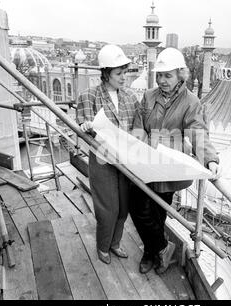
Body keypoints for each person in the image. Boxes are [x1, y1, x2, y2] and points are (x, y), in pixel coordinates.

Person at [130, 48, 221, 274]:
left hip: (168, 167)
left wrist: (209, 159)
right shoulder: (149, 96)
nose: (161, 80)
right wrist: (137, 149)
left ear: (181, 75)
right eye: (159, 75)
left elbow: (197, 131)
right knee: (138, 207)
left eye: (167, 75)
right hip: (145, 162)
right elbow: (139, 124)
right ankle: (162, 247)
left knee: (159, 212)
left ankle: (150, 254)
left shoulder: (191, 102)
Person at [76, 44, 140, 264]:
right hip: (103, 159)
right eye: (118, 73)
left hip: (125, 159)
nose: (124, 78)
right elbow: (82, 125)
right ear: (105, 74)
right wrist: (85, 126)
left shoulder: (131, 98)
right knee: (108, 209)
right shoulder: (89, 95)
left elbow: (137, 128)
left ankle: (115, 243)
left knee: (123, 208)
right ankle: (103, 246)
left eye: (125, 73)